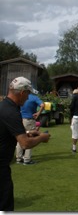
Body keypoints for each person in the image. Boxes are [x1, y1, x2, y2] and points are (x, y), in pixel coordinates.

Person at [0, 77, 50, 211]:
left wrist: (29, 132)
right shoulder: (11, 112)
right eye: (27, 94)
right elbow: (25, 144)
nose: (28, 98)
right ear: (22, 92)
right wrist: (42, 137)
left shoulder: (4, 106)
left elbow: (9, 132)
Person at [15, 91, 45, 165]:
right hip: (29, 120)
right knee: (30, 138)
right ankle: (27, 159)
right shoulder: (34, 97)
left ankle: (19, 158)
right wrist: (38, 113)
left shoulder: (21, 97)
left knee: (20, 138)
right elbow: (43, 105)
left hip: (21, 120)